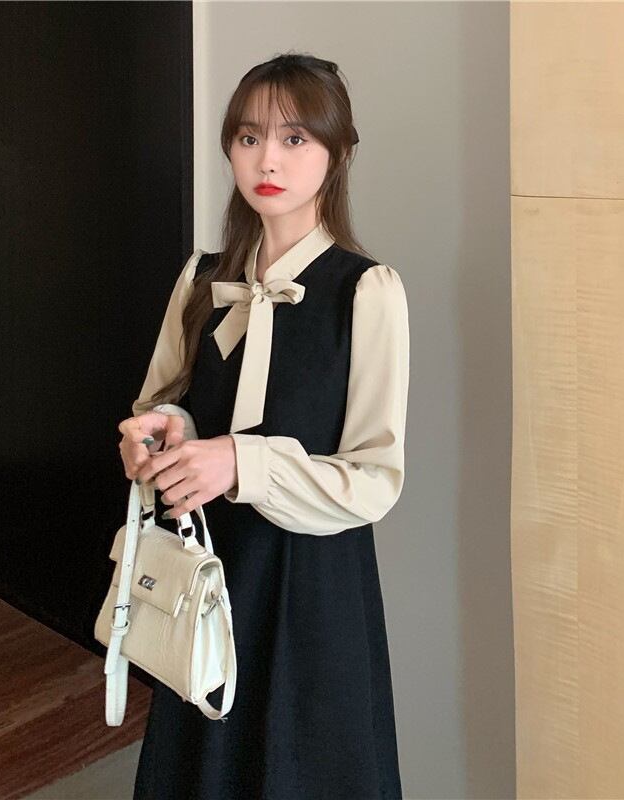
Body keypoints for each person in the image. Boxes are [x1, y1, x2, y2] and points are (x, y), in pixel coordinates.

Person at [117, 51, 409, 800]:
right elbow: (165, 402)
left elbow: (374, 479)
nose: (267, 160)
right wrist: (157, 436)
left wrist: (241, 464)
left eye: (294, 139)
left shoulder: (366, 290)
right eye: (249, 138)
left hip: (313, 585)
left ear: (337, 153)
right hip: (208, 569)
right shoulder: (201, 277)